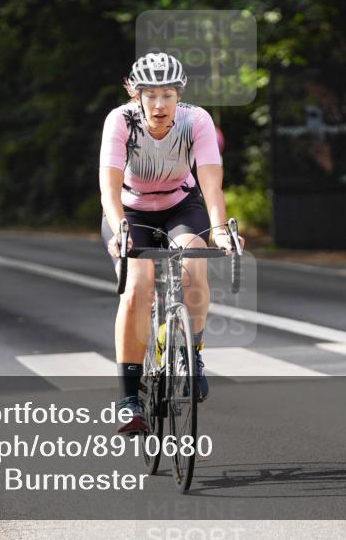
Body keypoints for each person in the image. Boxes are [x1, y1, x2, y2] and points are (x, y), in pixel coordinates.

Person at [99, 52, 245, 434]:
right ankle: (130, 399)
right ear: (135, 94)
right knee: (136, 287)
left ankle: (191, 353)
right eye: (150, 95)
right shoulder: (120, 121)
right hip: (131, 212)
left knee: (194, 265)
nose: (159, 104)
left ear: (179, 95)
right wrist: (120, 231)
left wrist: (220, 229)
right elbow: (109, 190)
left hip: (181, 205)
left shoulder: (196, 120)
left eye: (168, 94)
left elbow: (211, 183)